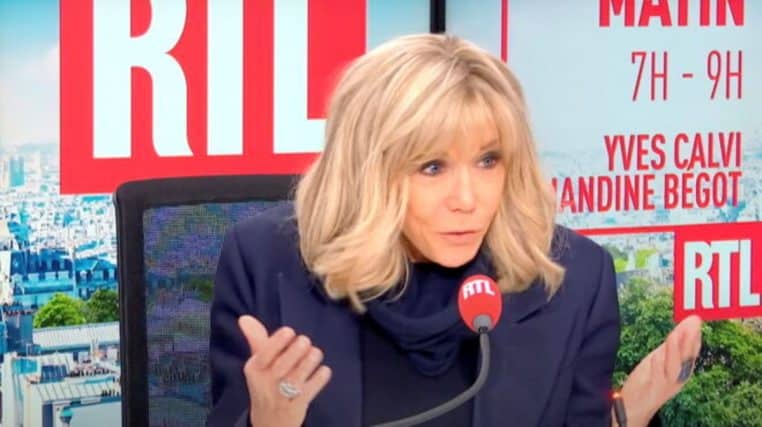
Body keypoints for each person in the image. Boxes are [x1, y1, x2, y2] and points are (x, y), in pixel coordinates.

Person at [207, 33, 702, 427]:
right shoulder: (264, 262)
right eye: (432, 167)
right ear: (366, 172)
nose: (468, 199)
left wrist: (628, 416)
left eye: (488, 161)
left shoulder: (574, 280)